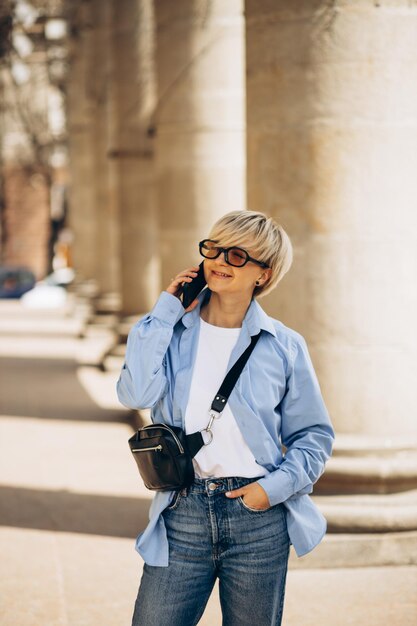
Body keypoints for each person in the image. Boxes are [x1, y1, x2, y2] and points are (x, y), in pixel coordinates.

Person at [116, 210, 335, 626]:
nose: (219, 261)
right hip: (184, 511)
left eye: (237, 255)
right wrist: (164, 311)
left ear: (263, 274)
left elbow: (313, 435)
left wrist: (271, 491)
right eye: (213, 249)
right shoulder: (171, 331)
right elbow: (135, 393)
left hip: (258, 519)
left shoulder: (284, 346)